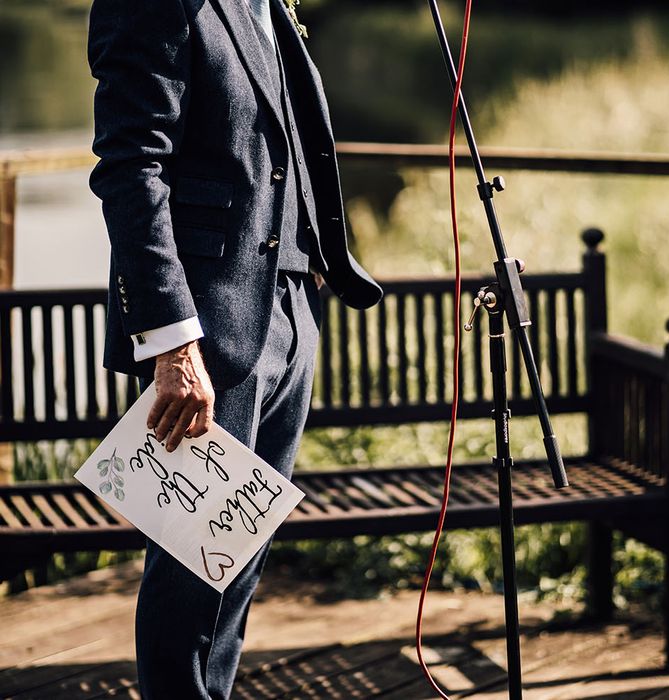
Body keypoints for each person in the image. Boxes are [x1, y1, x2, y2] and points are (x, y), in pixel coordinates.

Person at [87, 0, 382, 696]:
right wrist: (172, 342)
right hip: (208, 326)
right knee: (190, 570)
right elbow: (131, 166)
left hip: (289, 309)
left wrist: (311, 270)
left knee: (235, 560)